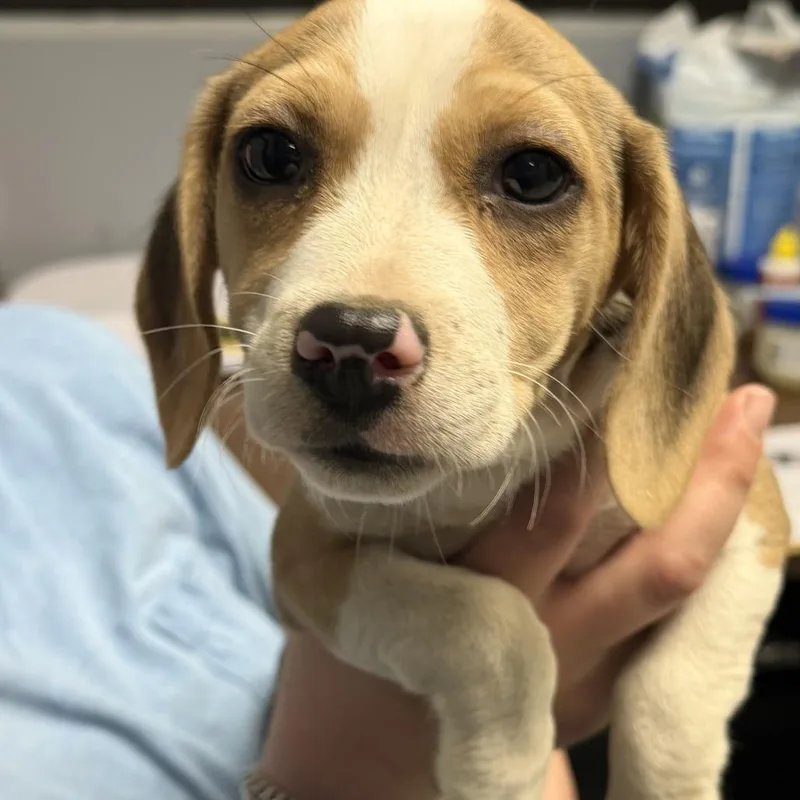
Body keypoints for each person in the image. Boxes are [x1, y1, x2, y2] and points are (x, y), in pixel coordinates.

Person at [0, 305, 774, 800]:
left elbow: (286, 580)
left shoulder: (59, 363)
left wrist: (658, 747)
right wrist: (350, 772)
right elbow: (303, 569)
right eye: (277, 162)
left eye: (529, 177)